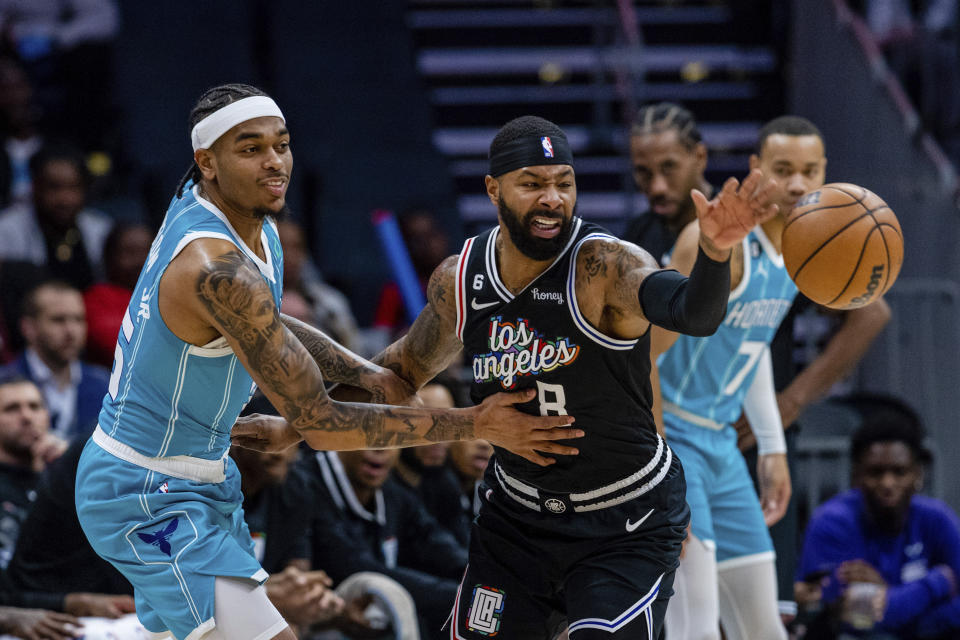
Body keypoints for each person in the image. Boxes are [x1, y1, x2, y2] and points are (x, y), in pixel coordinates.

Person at [239, 113, 780, 639]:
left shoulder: (605, 266)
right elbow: (397, 376)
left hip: (623, 522)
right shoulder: (462, 280)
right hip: (517, 524)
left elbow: (695, 314)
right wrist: (294, 424)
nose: (553, 198)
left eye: (564, 183)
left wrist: (714, 252)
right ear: (494, 191)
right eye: (533, 184)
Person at [73, 84, 580, 640]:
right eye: (250, 148)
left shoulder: (249, 225)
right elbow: (323, 425)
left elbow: (265, 323)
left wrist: (362, 372)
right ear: (206, 162)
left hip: (205, 477)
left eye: (282, 145)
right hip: (146, 490)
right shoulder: (213, 267)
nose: (275, 163)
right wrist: (477, 423)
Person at [630, 108, 891, 636]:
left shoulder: (803, 253)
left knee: (764, 627)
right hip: (674, 438)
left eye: (810, 171)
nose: (797, 184)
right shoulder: (709, 244)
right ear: (756, 167)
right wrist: (657, 464)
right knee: (695, 625)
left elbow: (750, 352)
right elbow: (640, 356)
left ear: (825, 174)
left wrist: (772, 446)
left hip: (723, 447)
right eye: (782, 168)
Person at [796, 400, 960, 639]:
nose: (887, 483)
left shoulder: (937, 518)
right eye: (875, 472)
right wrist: (938, 582)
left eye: (899, 472)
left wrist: (891, 596)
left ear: (918, 475)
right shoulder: (831, 522)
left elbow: (882, 611)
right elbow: (856, 619)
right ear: (856, 476)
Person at [303, 448, 466, 640]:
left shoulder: (393, 491)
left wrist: (480, 575)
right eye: (366, 433)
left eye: (388, 437)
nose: (379, 448)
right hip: (315, 620)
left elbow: (433, 539)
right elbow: (352, 565)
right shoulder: (305, 482)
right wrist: (458, 595)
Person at [1, 280, 110, 440]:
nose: (71, 331)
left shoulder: (105, 385)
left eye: (78, 319)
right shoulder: (4, 385)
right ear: (28, 328)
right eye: (58, 320)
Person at [0, 144, 113, 290]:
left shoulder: (101, 229)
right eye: (54, 187)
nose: (64, 199)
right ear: (35, 187)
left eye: (73, 187)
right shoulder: (6, 230)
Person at [83, 223, 154, 367]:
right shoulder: (96, 298)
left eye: (148, 251)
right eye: (130, 252)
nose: (141, 260)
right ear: (110, 257)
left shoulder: (168, 294)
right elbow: (122, 348)